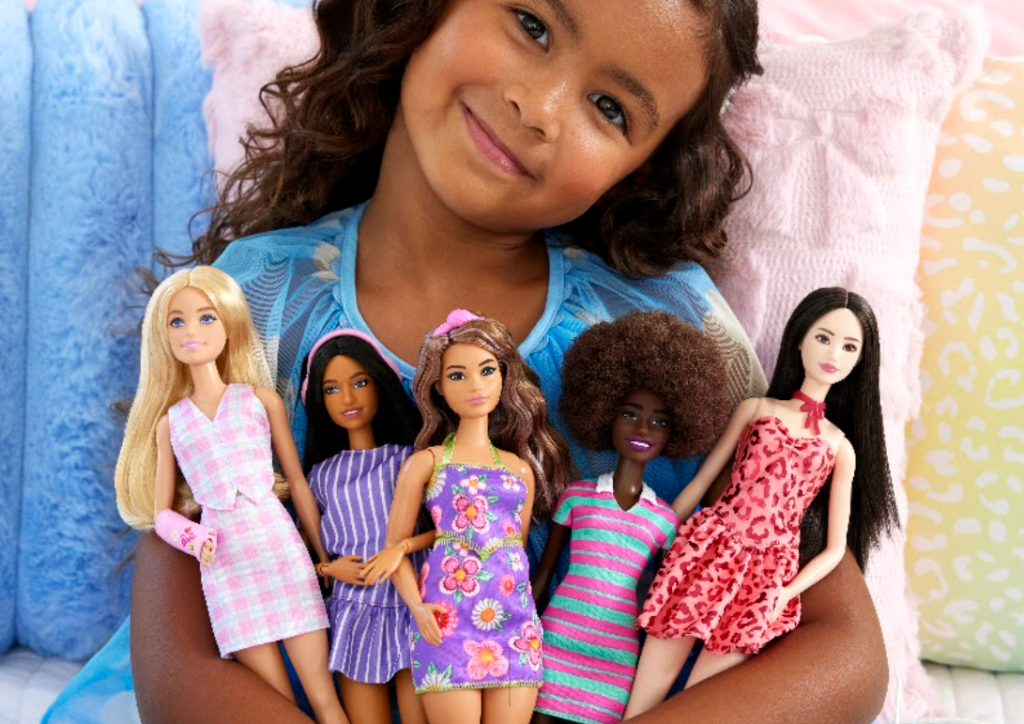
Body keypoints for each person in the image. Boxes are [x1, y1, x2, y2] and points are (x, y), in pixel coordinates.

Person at [65, 0, 888, 722]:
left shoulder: (664, 329)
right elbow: (174, 660)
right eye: (531, 24)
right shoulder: (255, 302)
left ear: (644, 169)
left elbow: (845, 652)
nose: (540, 107)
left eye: (609, 107)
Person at [625, 288, 900, 714]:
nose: (834, 354)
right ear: (800, 340)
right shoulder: (757, 410)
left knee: (702, 705)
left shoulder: (839, 447)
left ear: (861, 360)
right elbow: (703, 481)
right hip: (709, 549)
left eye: (850, 347)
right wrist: (654, 538)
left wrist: (786, 592)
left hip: (765, 576)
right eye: (823, 338)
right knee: (644, 696)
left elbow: (833, 549)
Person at [114, 266, 347, 724]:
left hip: (281, 554)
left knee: (324, 698)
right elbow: (162, 515)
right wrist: (192, 537)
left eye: (206, 317)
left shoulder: (259, 401)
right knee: (277, 706)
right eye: (176, 321)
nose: (191, 331)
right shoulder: (172, 423)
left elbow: (297, 483)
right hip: (226, 569)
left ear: (229, 325)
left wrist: (323, 556)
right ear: (162, 336)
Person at [530, 312, 730, 724]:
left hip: (617, 650)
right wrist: (520, 624)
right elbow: (543, 574)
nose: (643, 429)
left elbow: (659, 599)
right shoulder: (577, 497)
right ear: (604, 412)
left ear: (677, 431)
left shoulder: (663, 522)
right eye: (630, 414)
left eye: (660, 422)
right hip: (558, 633)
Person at [381, 310, 572, 724]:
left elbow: (517, 548)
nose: (475, 385)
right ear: (438, 387)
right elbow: (393, 549)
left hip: (514, 619)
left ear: (504, 376)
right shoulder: (426, 463)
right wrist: (418, 609)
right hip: (446, 616)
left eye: (487, 371)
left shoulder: (520, 469)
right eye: (457, 375)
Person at [299, 329, 430, 724]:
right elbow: (298, 553)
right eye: (332, 389)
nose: (348, 399)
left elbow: (445, 528)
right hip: (355, 610)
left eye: (359, 383)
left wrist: (402, 549)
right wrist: (328, 568)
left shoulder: (411, 460)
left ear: (380, 384)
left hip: (413, 604)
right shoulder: (321, 477)